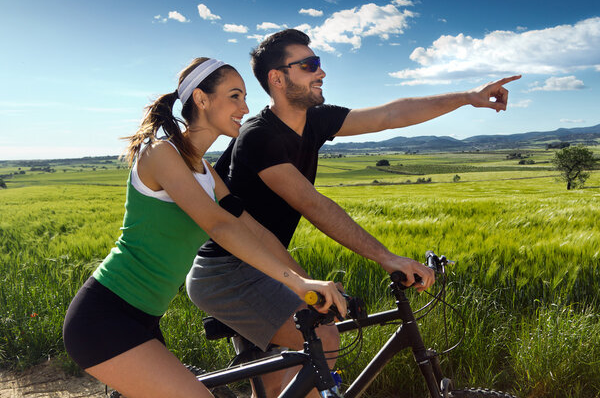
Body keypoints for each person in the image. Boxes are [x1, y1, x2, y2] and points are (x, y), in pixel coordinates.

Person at [186, 29, 520, 397]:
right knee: (324, 337)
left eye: (320, 63)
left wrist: (468, 97)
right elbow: (313, 204)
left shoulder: (314, 121)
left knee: (278, 384)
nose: (321, 72)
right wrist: (386, 257)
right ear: (277, 79)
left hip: (268, 263)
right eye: (309, 65)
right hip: (229, 272)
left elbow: (390, 114)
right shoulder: (259, 136)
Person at [62, 57, 347, 398]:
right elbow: (220, 225)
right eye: (234, 96)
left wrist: (306, 284)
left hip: (146, 320)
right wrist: (298, 284)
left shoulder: (206, 172)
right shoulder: (161, 153)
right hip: (104, 317)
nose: (245, 106)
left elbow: (251, 228)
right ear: (201, 99)